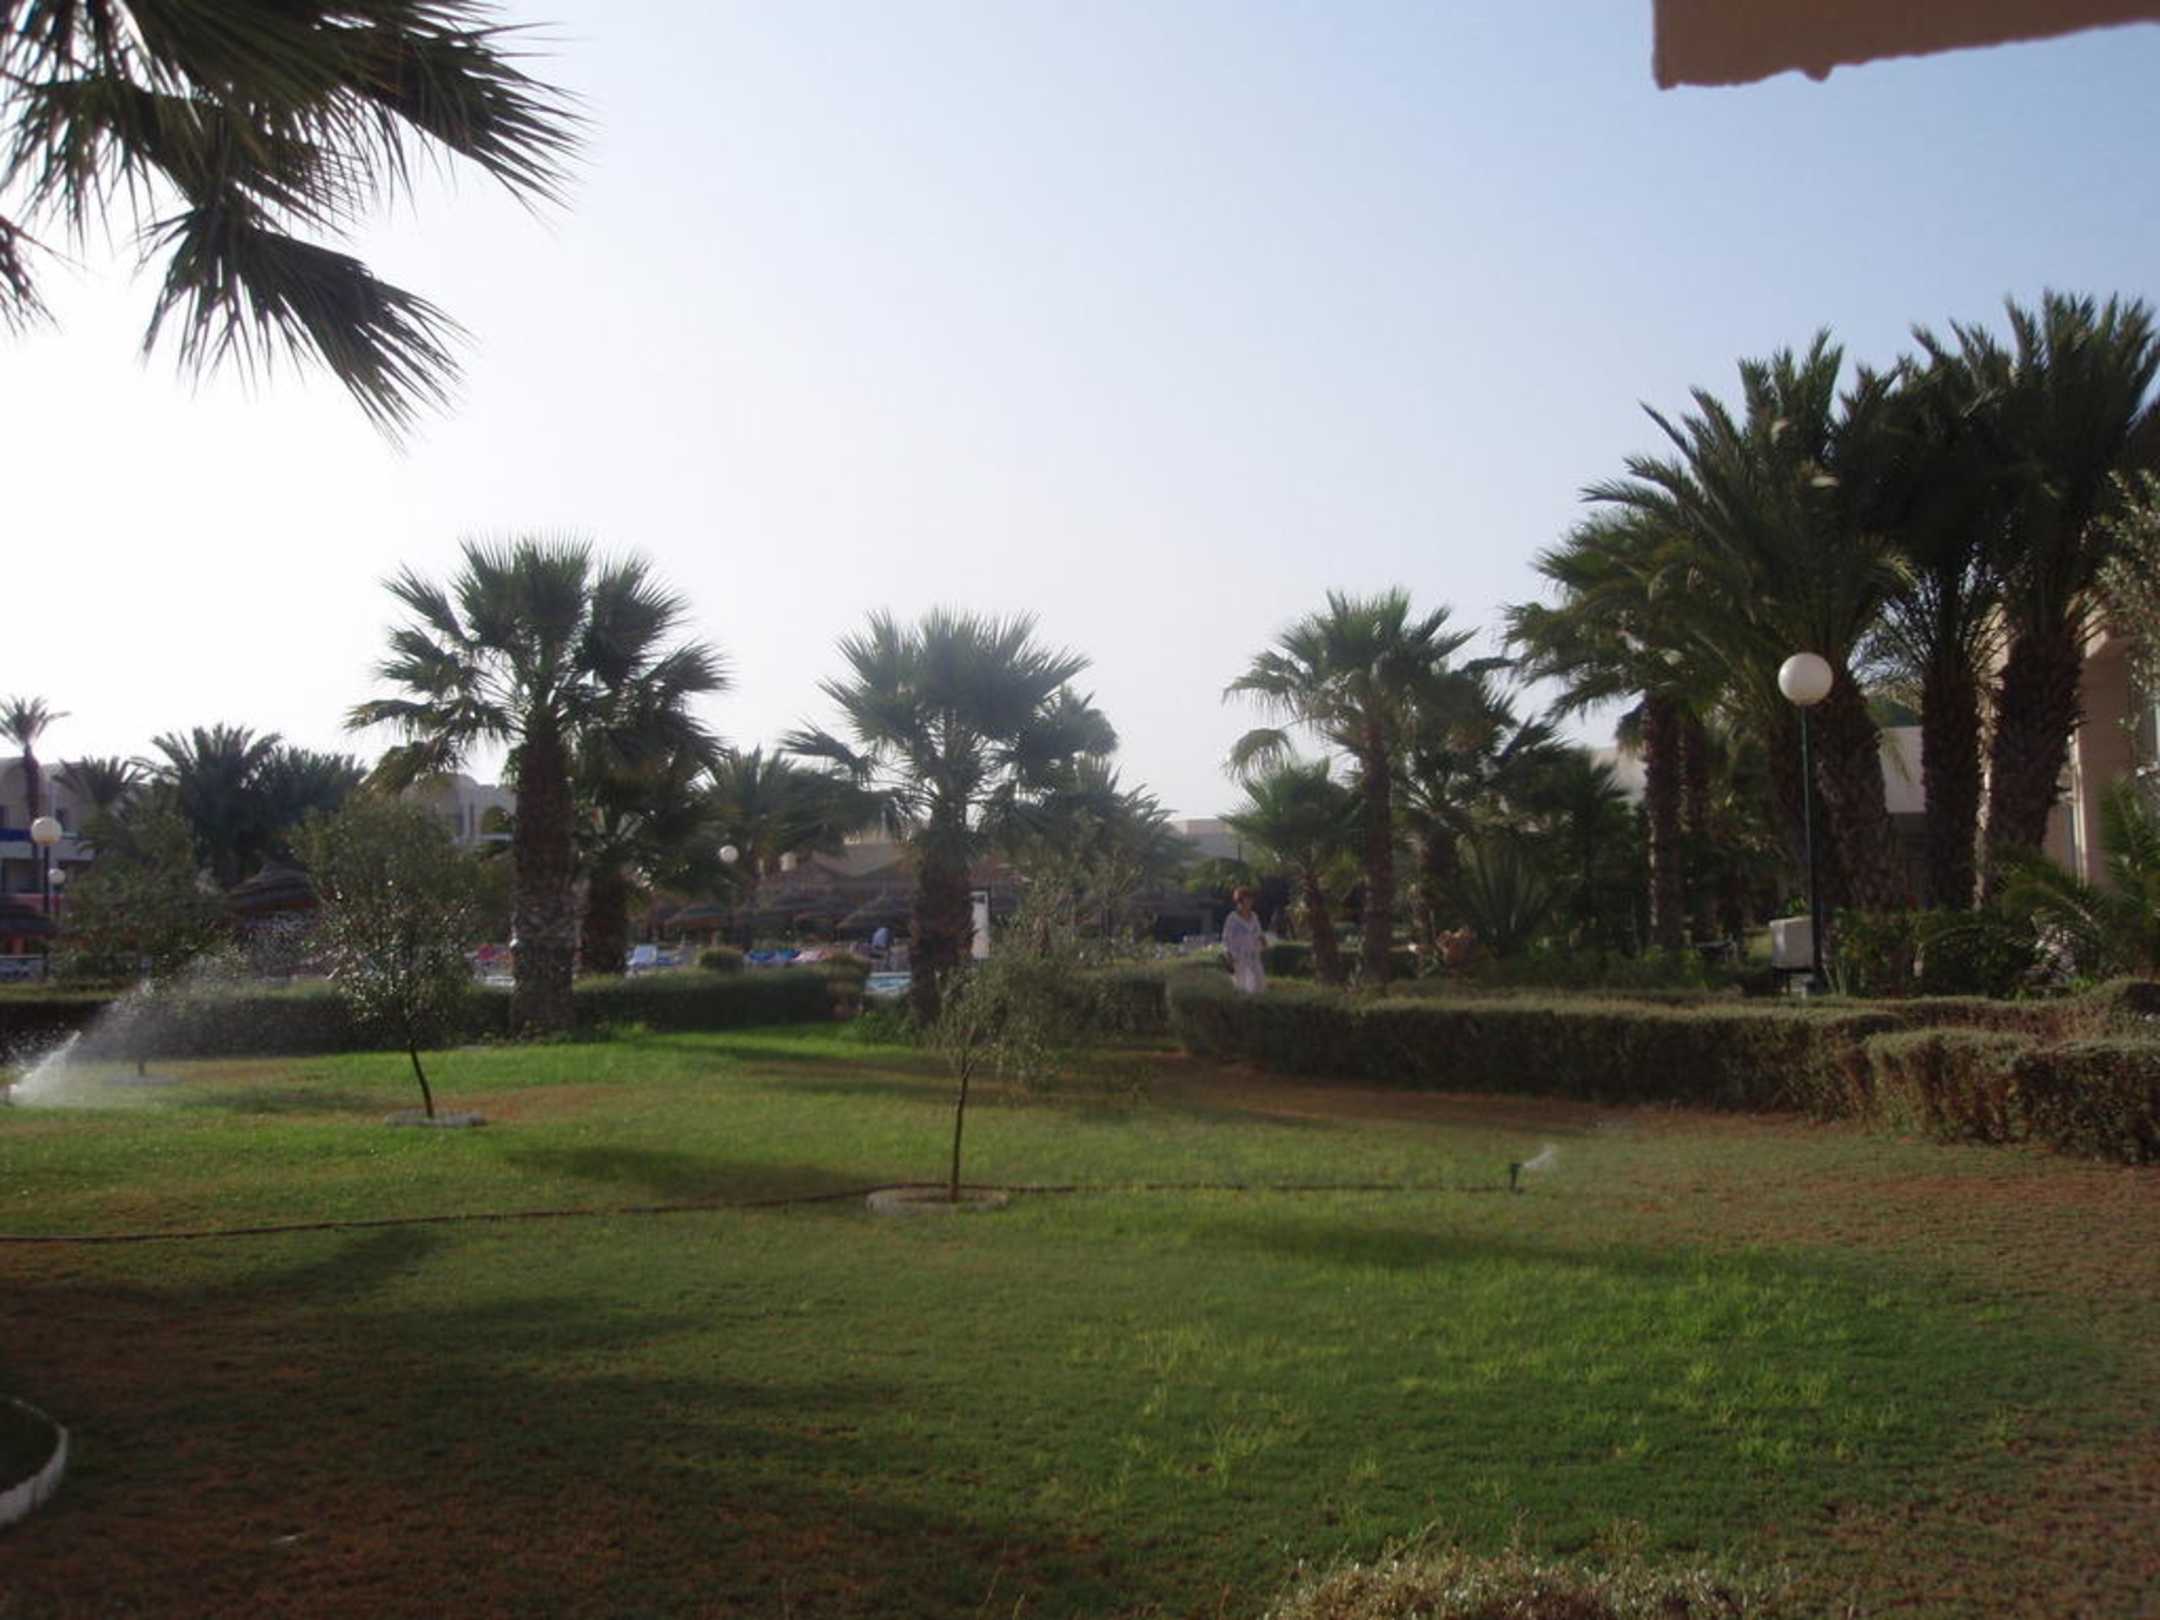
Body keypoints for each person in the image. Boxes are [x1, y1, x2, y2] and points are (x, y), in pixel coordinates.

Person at [1222, 886, 1266, 994]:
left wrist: (1263, 941)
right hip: (1239, 957)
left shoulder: (1254, 917)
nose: (1250, 902)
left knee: (1259, 985)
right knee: (1242, 987)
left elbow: (1259, 933)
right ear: (1240, 901)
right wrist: (1228, 955)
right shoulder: (1232, 918)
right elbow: (1226, 938)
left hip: (1253, 956)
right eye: (1247, 899)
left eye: (1251, 899)